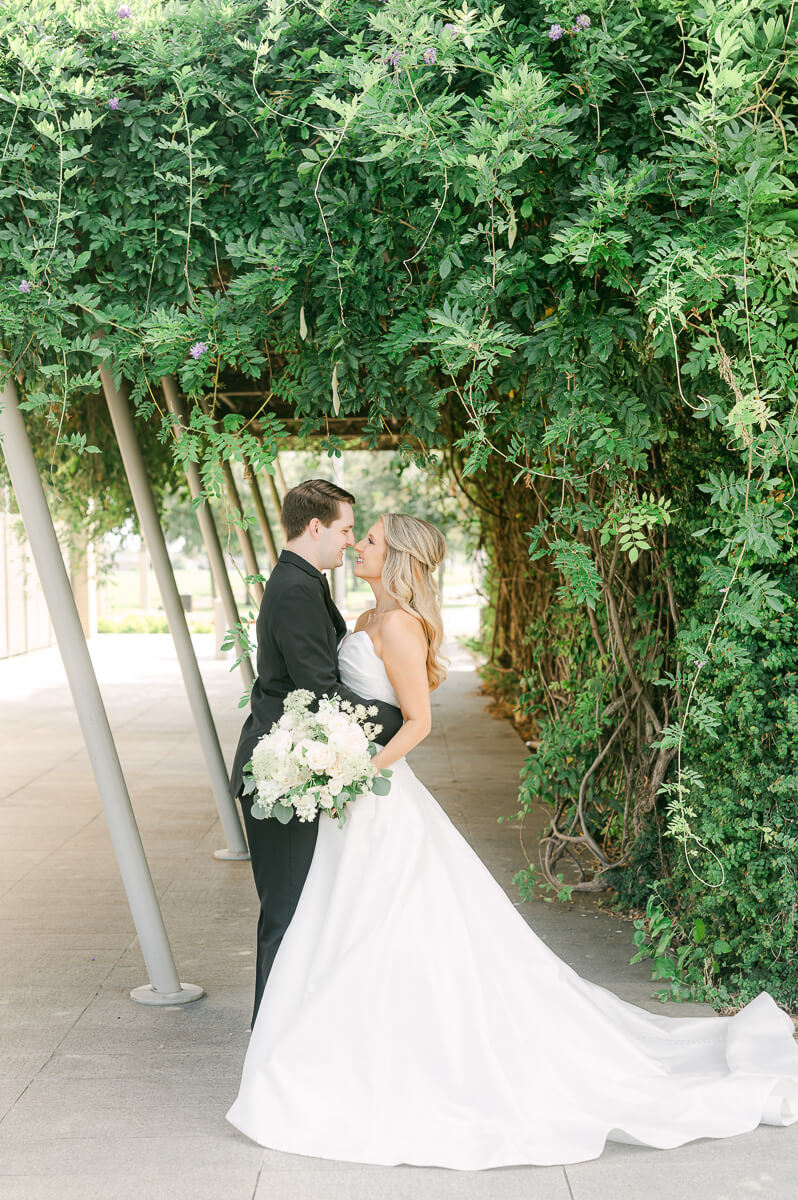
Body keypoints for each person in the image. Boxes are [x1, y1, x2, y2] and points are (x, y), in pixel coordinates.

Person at [226, 513, 798, 1170]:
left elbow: (417, 724)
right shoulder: (362, 619)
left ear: (401, 559)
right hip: (351, 798)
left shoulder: (402, 628)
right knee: (343, 922)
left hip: (374, 792)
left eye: (373, 540)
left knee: (387, 924)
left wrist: (357, 770)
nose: (359, 545)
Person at [229, 480, 404, 1030]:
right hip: (278, 774)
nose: (351, 542)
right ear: (315, 528)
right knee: (285, 914)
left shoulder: (303, 581)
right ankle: (270, 1046)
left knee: (302, 911)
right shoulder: (298, 589)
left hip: (295, 765)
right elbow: (321, 689)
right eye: (347, 529)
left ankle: (291, 1037)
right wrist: (395, 721)